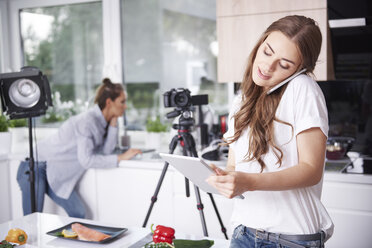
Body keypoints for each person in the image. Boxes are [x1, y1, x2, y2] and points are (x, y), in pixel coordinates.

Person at [206, 15, 334, 248]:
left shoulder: (302, 88)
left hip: (288, 239)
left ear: (300, 69)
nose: (267, 66)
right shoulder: (242, 100)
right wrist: (227, 179)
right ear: (260, 43)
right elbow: (236, 167)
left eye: (284, 64)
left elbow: (311, 170)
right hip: (243, 232)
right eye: (267, 52)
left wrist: (249, 181)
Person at [17, 78, 142, 218]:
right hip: (35, 166)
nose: (125, 106)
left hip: (54, 171)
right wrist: (120, 158)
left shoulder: (102, 122)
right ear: (109, 102)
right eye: (122, 102)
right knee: (32, 220)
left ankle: (67, 239)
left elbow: (106, 151)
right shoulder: (87, 122)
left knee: (78, 213)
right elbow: (86, 160)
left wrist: (113, 121)